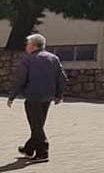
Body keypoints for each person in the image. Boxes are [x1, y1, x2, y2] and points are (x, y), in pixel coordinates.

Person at [7, 34, 66, 163]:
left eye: (27, 44)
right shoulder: (54, 58)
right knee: (38, 125)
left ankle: (42, 153)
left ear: (33, 46)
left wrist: (12, 96)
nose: (26, 47)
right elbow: (61, 78)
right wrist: (59, 95)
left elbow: (20, 80)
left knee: (36, 126)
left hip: (33, 97)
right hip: (48, 97)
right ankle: (29, 148)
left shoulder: (28, 59)